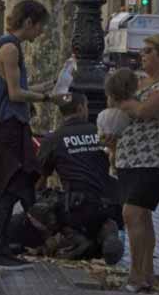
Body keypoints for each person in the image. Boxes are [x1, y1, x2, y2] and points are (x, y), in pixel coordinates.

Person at [0, 0, 61, 271]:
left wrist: (45, 86)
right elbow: (14, 94)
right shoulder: (10, 48)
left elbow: (15, 87)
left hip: (12, 127)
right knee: (8, 188)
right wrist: (46, 97)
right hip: (9, 129)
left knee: (16, 186)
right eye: (40, 27)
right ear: (28, 23)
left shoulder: (7, 45)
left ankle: (0, 245)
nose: (41, 33)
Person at [111, 34, 159, 293]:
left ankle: (135, 277)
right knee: (142, 217)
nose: (142, 55)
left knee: (132, 213)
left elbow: (145, 111)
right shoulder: (139, 82)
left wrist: (123, 103)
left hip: (154, 159)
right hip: (128, 157)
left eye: (148, 51)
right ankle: (146, 275)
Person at [37, 92, 124, 265]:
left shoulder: (54, 138)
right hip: (108, 204)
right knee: (102, 210)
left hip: (75, 208)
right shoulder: (100, 132)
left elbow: (39, 179)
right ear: (80, 108)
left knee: (43, 202)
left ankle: (74, 237)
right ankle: (106, 230)